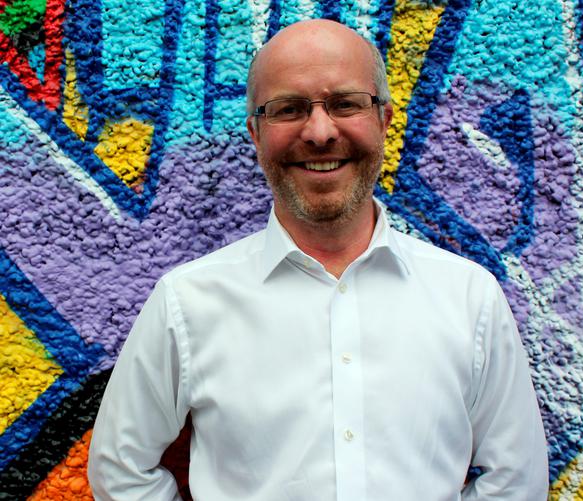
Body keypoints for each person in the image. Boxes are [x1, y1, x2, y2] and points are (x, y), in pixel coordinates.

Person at [88, 19, 549, 500]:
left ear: (384, 120)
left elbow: (516, 480)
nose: (320, 132)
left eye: (346, 104)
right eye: (288, 109)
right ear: (255, 133)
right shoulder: (187, 303)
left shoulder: (469, 298)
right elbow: (120, 470)